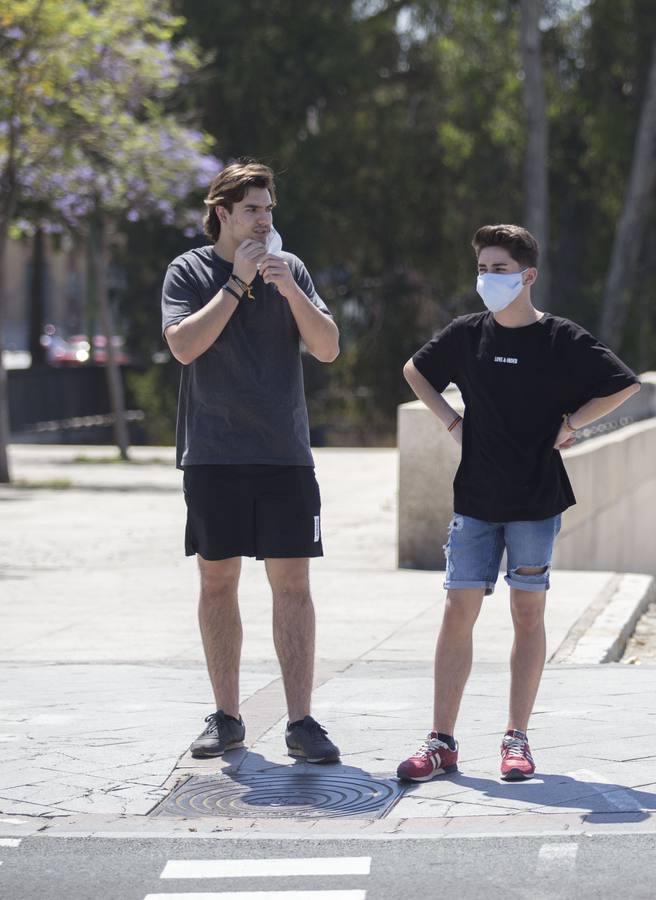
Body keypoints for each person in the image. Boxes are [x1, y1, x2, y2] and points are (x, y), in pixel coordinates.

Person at [397, 224, 641, 782]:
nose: (487, 278)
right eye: (482, 268)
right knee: (459, 608)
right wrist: (452, 421)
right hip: (476, 497)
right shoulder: (466, 333)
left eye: (500, 269)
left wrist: (573, 424)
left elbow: (623, 382)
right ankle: (441, 743)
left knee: (526, 612)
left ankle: (516, 739)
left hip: (535, 499)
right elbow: (415, 370)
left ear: (528, 275)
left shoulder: (559, 338)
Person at [161, 160, 343, 763]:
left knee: (293, 585)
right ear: (222, 214)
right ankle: (228, 716)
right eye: (251, 211)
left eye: (269, 210)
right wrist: (236, 285)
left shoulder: (290, 270)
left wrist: (288, 287)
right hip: (213, 455)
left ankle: (301, 722)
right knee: (218, 581)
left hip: (285, 455)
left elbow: (327, 348)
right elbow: (184, 346)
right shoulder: (189, 269)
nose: (264, 221)